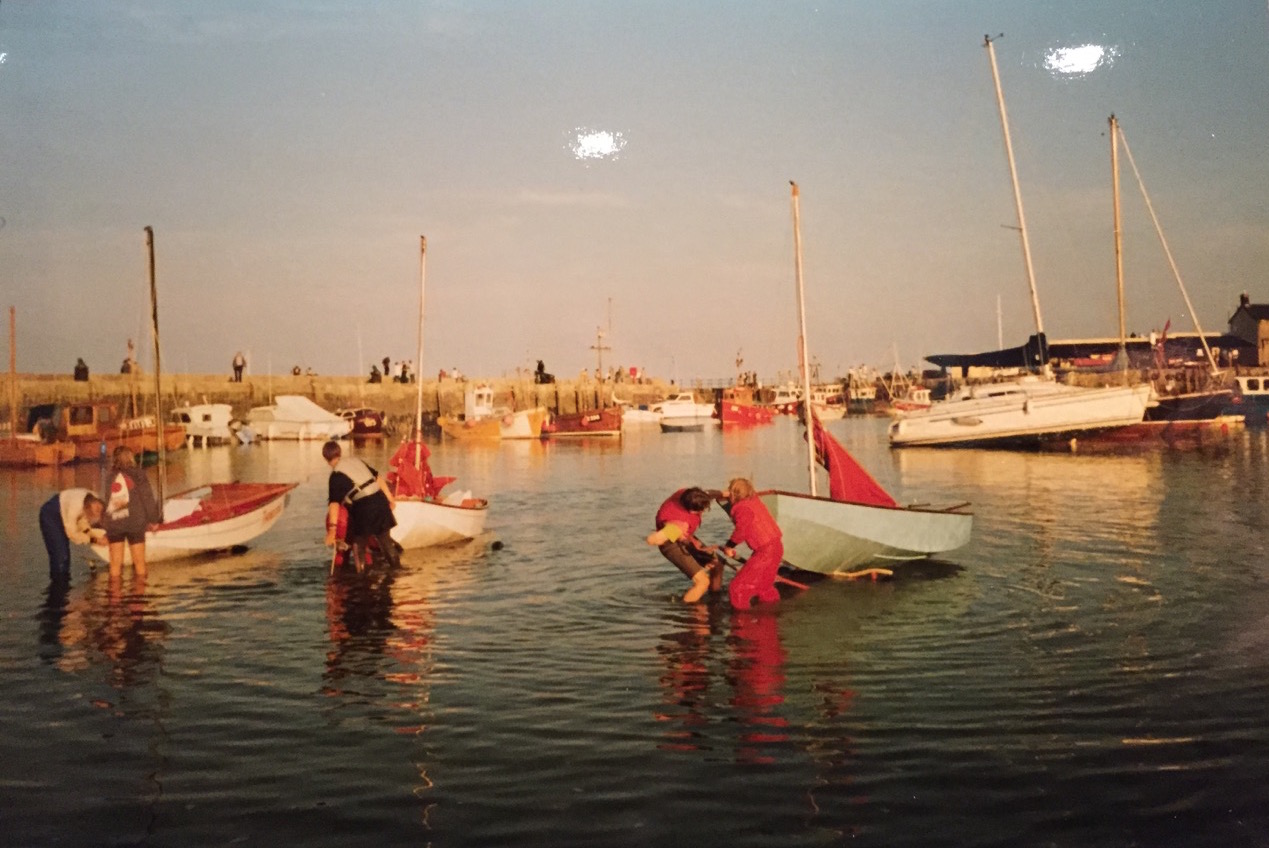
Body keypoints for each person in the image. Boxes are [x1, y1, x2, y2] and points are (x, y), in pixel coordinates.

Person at [322, 441, 400, 571]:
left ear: (326, 458)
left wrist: (332, 530)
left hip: (365, 506)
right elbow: (378, 478)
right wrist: (390, 499)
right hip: (380, 500)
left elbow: (334, 504)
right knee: (386, 543)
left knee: (359, 546)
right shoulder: (356, 461)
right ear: (339, 452)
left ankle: (361, 579)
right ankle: (398, 571)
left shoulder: (336, 476)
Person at [646, 487, 724, 603]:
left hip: (687, 538)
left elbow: (712, 493)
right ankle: (687, 610)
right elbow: (651, 540)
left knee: (718, 564)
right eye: (700, 511)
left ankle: (714, 598)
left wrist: (732, 494)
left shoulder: (692, 495)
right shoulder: (678, 525)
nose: (702, 512)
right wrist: (674, 532)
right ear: (691, 509)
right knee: (702, 582)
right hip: (671, 544)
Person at [718, 477, 783, 610]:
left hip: (765, 551)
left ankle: (742, 621)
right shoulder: (754, 500)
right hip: (776, 547)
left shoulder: (742, 508)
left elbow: (742, 530)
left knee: (737, 588)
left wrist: (729, 545)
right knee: (764, 588)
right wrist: (725, 493)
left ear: (732, 493)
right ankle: (771, 617)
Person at [102, 446, 162, 579]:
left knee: (115, 565)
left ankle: (114, 597)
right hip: (135, 522)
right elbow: (147, 498)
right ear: (130, 457)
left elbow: (107, 503)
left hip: (115, 523)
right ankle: (138, 597)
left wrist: (106, 527)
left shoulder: (109, 477)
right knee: (139, 563)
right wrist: (153, 520)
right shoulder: (139, 474)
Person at [38, 488, 105, 579]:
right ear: (87, 508)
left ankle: (63, 580)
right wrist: (94, 540)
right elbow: (72, 534)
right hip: (51, 514)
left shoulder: (95, 498)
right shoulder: (75, 507)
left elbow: (83, 520)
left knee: (65, 556)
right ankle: (59, 584)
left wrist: (90, 533)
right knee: (61, 556)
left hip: (66, 508)